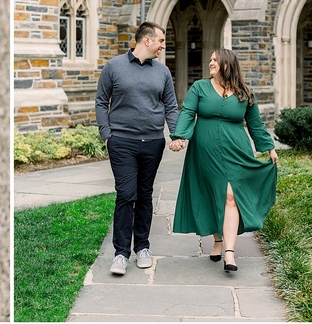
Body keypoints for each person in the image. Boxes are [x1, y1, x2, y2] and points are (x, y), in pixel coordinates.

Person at [169, 48, 278, 272]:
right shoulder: (199, 87)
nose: (210, 63)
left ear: (227, 64)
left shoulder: (243, 92)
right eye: (210, 59)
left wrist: (269, 148)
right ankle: (218, 242)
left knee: (231, 195)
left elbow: (255, 124)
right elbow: (188, 112)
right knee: (215, 194)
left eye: (215, 60)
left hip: (236, 150)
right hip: (206, 151)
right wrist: (180, 137)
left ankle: (229, 252)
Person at [95, 22, 180, 276]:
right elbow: (101, 101)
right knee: (125, 194)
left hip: (153, 143)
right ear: (146, 40)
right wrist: (107, 135)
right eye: (161, 41)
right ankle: (121, 253)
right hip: (122, 143)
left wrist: (176, 134)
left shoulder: (162, 71)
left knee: (144, 194)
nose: (163, 47)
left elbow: (171, 106)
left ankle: (142, 247)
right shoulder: (113, 67)